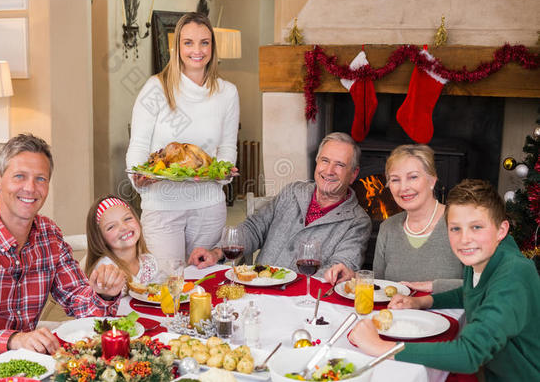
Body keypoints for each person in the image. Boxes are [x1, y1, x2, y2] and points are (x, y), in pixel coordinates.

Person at [0, 134, 126, 364]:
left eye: (40, 179)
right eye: (19, 176)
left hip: (23, 360)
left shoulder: (49, 235)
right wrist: (13, 340)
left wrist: (103, 293)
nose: (30, 188)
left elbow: (79, 301)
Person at [350, 179, 540, 382]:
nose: (464, 239)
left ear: (501, 230)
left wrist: (381, 347)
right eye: (455, 229)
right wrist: (422, 301)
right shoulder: (484, 256)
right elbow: (470, 290)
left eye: (476, 227)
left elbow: (469, 354)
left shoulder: (513, 274)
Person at [126, 11, 239, 265]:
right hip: (162, 205)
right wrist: (137, 179)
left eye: (204, 42)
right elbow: (139, 146)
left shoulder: (227, 94)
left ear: (212, 46)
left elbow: (228, 147)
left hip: (209, 206)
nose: (196, 50)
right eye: (188, 42)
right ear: (176, 47)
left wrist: (222, 173)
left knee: (203, 283)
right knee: (166, 285)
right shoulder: (156, 88)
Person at [189, 132, 372, 283]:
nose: (329, 170)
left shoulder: (357, 222)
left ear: (353, 174)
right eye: (325, 160)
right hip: (257, 287)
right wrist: (217, 252)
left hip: (305, 302)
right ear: (317, 163)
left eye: (339, 165)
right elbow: (254, 228)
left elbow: (341, 268)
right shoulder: (292, 192)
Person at [373, 144, 463, 293]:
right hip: (396, 313)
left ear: (432, 181)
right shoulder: (387, 227)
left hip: (446, 314)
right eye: (395, 180)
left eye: (413, 177)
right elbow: (378, 287)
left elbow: (481, 285)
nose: (403, 188)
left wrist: (432, 287)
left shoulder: (460, 222)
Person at [85, 195, 159, 294]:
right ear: (100, 238)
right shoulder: (105, 270)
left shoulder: (147, 262)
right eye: (111, 227)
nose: (123, 227)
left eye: (127, 218)